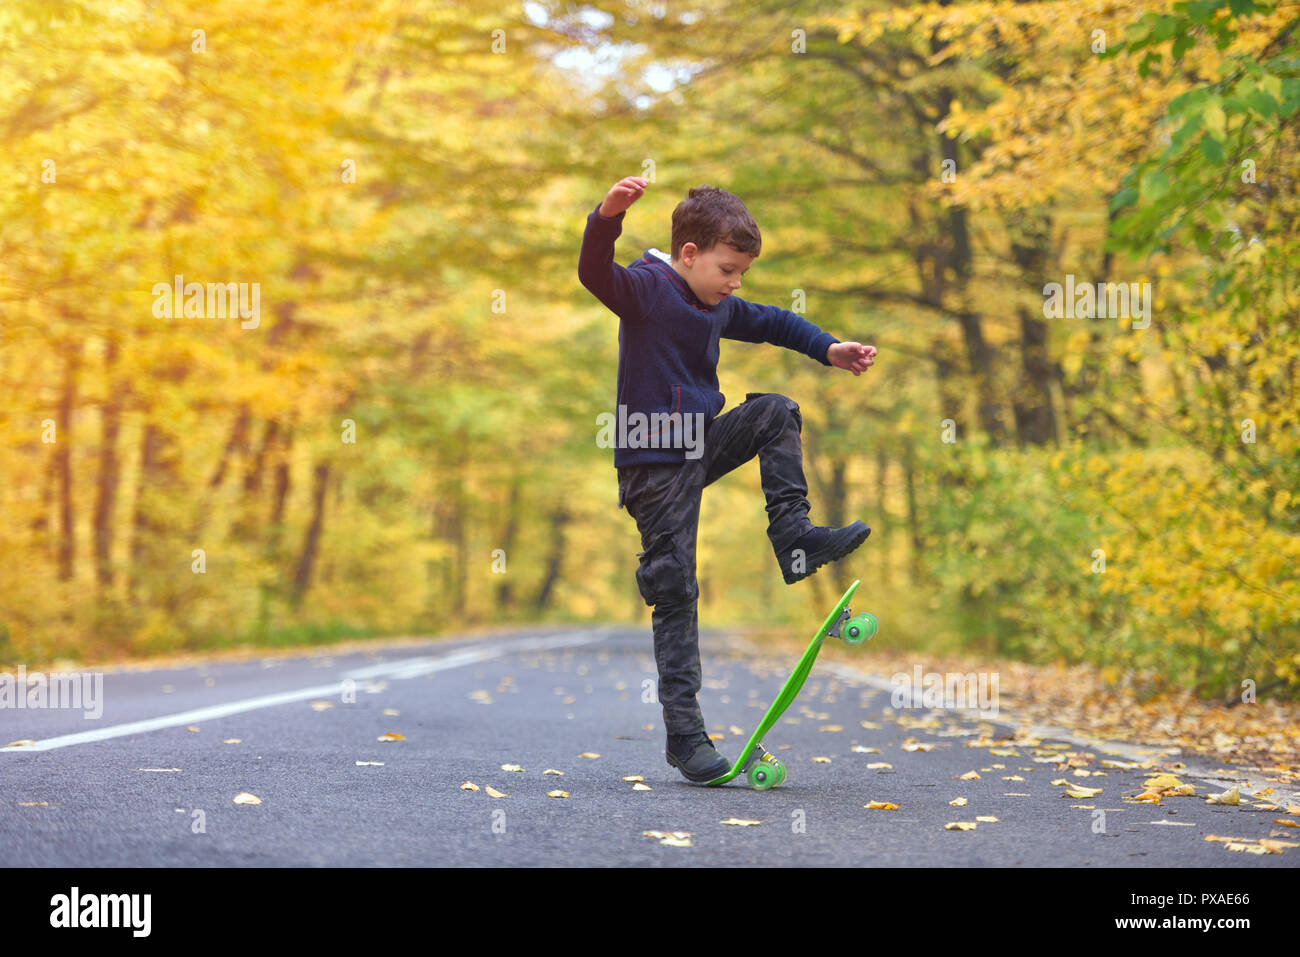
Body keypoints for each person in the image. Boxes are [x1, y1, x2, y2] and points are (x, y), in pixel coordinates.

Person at [578, 175, 877, 783]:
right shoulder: (645, 291)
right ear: (689, 255)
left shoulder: (711, 303)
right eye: (727, 269)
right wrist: (606, 216)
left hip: (698, 446)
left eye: (741, 272)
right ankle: (685, 737)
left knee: (775, 411)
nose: (735, 283)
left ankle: (794, 540)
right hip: (650, 463)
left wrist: (829, 349)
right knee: (675, 588)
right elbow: (594, 273)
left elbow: (773, 322)